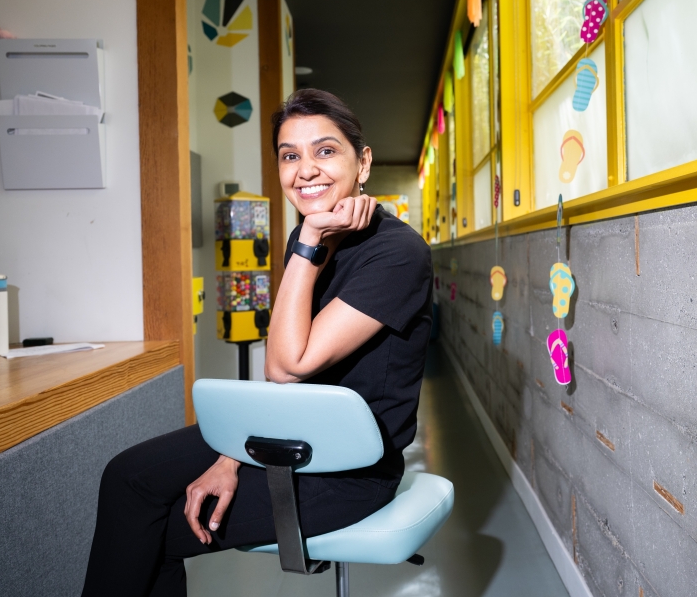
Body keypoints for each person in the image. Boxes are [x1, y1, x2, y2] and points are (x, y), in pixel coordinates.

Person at [81, 89, 433, 597]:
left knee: (151, 532)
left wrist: (309, 238)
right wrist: (230, 458)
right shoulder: (308, 240)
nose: (306, 169)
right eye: (290, 156)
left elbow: (289, 366)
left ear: (364, 163)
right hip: (288, 439)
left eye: (326, 151)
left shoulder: (397, 254)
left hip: (349, 468)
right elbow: (284, 382)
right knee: (126, 477)